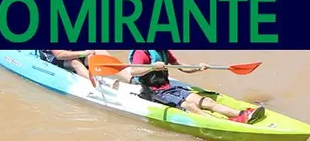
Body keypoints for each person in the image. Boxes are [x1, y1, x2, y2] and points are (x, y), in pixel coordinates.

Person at [113, 50, 264, 124]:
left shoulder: (164, 51)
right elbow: (134, 71)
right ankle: (219, 123)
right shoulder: (142, 52)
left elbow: (182, 67)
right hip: (153, 92)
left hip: (168, 88)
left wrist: (199, 67)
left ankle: (242, 114)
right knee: (190, 106)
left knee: (206, 101)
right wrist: (152, 67)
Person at [37, 50, 109, 80]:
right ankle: (95, 82)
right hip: (53, 57)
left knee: (99, 51)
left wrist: (90, 53)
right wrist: (82, 54)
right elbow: (59, 55)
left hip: (68, 51)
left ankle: (119, 72)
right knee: (75, 62)